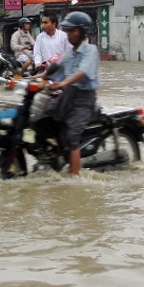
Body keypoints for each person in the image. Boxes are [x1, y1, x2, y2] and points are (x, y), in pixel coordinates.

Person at [41, 12, 99, 176]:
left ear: (82, 31)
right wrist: (32, 78)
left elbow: (82, 71)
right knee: (46, 119)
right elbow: (55, 68)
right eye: (67, 31)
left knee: (72, 134)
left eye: (73, 31)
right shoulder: (69, 53)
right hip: (67, 95)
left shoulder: (90, 50)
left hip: (84, 99)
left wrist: (64, 82)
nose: (69, 35)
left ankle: (74, 178)